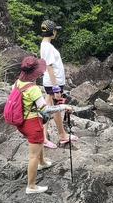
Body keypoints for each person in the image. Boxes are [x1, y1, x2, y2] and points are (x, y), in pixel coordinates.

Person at [15, 56, 73, 194]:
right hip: (32, 123)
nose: (41, 73)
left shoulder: (18, 83)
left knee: (40, 140)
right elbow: (45, 109)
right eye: (39, 72)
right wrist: (63, 106)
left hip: (22, 122)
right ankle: (31, 186)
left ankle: (42, 163)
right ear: (34, 73)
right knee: (32, 155)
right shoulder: (33, 89)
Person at [40, 20, 78, 148]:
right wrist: (56, 88)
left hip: (51, 83)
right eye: (55, 30)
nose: (56, 32)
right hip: (53, 83)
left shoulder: (45, 45)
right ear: (52, 32)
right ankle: (57, 136)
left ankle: (57, 135)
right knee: (53, 109)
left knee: (48, 108)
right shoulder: (47, 47)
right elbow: (50, 68)